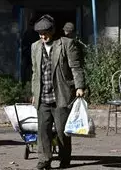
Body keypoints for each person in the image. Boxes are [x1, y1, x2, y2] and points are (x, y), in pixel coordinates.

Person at [31, 15, 85, 169]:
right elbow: (35, 72)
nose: (43, 36)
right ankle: (44, 159)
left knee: (62, 131)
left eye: (45, 33)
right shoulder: (35, 47)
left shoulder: (66, 44)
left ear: (52, 31)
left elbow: (76, 67)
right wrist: (34, 94)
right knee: (43, 131)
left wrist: (79, 87)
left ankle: (64, 158)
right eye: (40, 34)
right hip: (43, 96)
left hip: (61, 95)